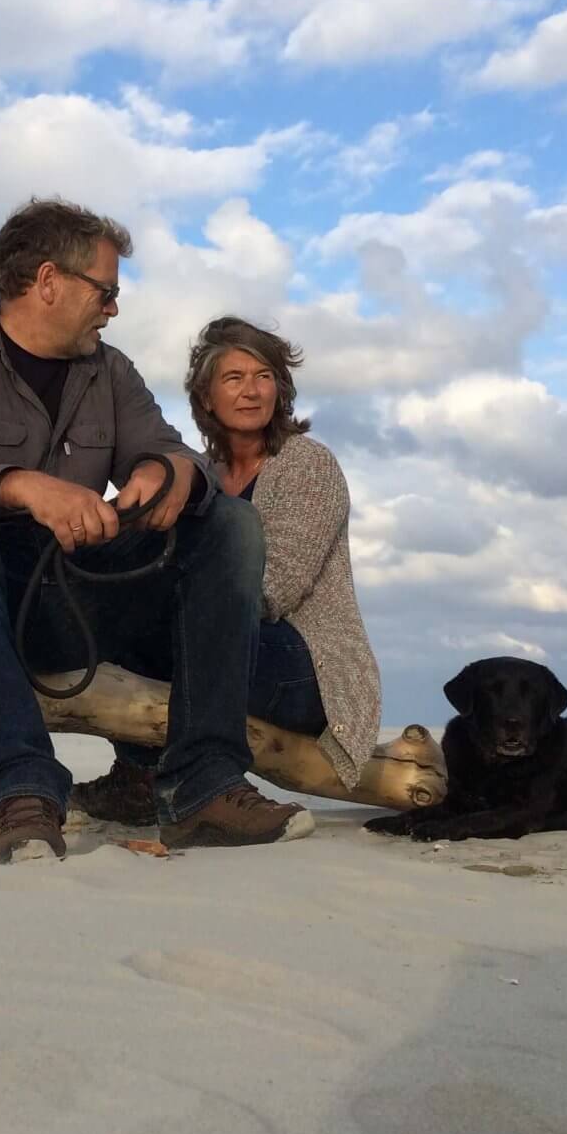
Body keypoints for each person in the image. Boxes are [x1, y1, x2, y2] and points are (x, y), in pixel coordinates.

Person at [0, 200, 315, 863]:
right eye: (105, 292)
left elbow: (172, 449)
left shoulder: (112, 371)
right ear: (47, 282)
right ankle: (21, 789)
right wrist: (21, 485)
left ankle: (204, 785)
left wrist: (171, 473)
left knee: (226, 519)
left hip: (64, 591)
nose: (113, 309)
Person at [72, 316, 381, 826]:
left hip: (307, 668)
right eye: (234, 378)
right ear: (206, 396)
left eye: (264, 377)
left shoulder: (307, 465)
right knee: (122, 607)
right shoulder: (201, 477)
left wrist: (164, 594)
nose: (252, 391)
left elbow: (270, 592)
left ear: (281, 391)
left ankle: (158, 779)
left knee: (163, 619)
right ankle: (140, 774)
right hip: (223, 645)